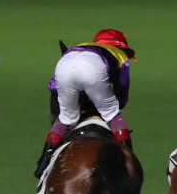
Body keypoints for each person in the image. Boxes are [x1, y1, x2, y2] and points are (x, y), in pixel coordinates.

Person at [35, 29, 136, 180]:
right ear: (121, 47)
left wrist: (67, 105)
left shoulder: (79, 48)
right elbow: (122, 91)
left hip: (63, 66)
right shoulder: (119, 55)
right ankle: (129, 163)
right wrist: (114, 105)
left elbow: (53, 86)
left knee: (66, 119)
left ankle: (43, 163)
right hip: (93, 70)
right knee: (112, 114)